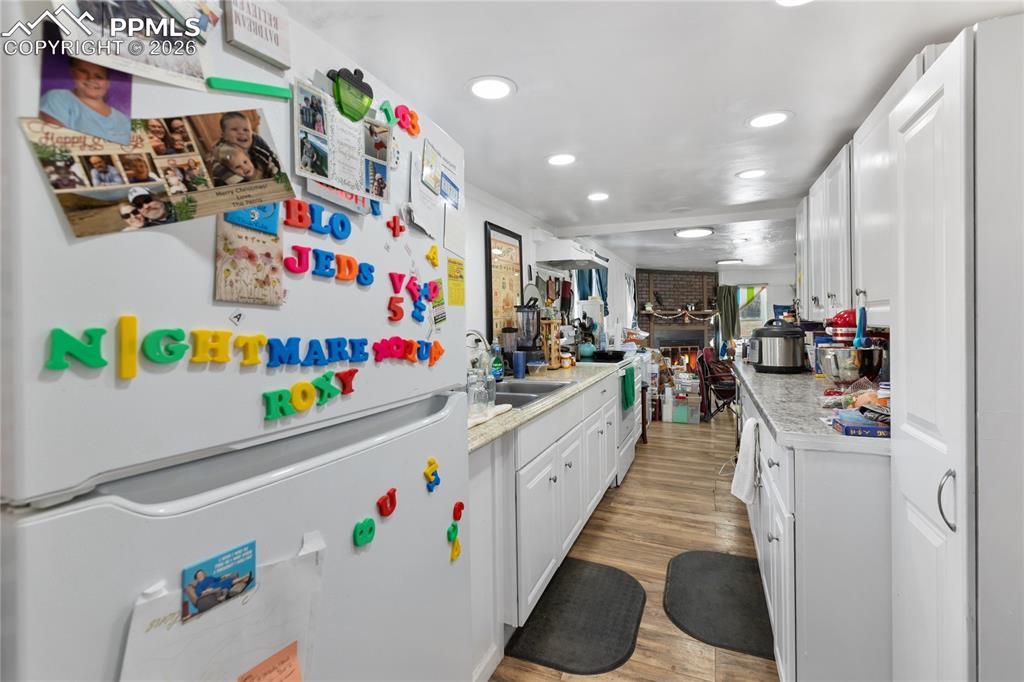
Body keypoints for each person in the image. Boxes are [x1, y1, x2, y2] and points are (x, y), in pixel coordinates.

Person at [39, 58, 130, 144]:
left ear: (108, 83)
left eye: (99, 77)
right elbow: (53, 143)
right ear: (72, 72)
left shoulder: (123, 120)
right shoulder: (58, 98)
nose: (91, 79)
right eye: (83, 72)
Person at [208, 111, 280, 186]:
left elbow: (272, 159)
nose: (241, 133)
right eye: (234, 129)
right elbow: (218, 169)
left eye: (246, 130)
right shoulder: (221, 153)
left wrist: (275, 176)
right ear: (224, 135)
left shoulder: (257, 143)